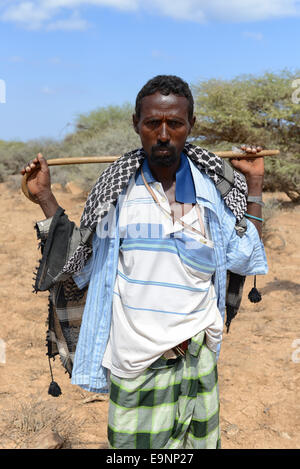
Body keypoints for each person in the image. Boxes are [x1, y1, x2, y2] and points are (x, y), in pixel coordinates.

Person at [21, 75, 267, 449]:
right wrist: (46, 199)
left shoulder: (210, 188)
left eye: (175, 123)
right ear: (137, 125)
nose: (164, 134)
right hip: (135, 362)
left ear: (191, 126)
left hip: (197, 355)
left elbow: (244, 255)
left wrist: (255, 185)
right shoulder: (116, 190)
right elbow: (80, 264)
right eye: (153, 124)